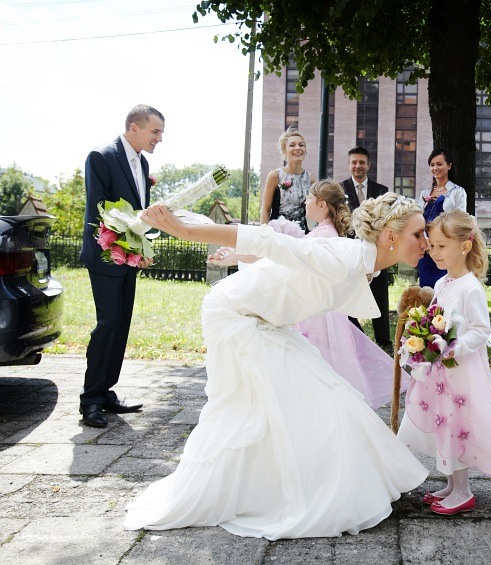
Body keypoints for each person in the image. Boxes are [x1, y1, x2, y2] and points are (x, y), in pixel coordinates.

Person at [126, 193, 429, 539]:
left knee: (329, 397)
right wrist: (185, 231)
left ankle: (308, 484)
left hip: (271, 322)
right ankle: (239, 492)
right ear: (390, 236)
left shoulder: (365, 263)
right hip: (235, 315)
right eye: (418, 234)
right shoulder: (343, 257)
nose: (425, 241)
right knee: (245, 409)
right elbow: (270, 241)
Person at [211, 180, 407, 409]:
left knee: (312, 368)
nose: (305, 201)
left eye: (310, 198)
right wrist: (236, 257)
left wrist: (237, 257)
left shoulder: (324, 234)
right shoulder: (322, 231)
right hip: (316, 310)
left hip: (314, 315)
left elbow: (288, 262)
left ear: (322, 204)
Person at [398, 210, 491, 516]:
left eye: (442, 246)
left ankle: (464, 491)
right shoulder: (442, 283)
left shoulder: (470, 287)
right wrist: (420, 337)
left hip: (460, 372)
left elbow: (481, 331)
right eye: (433, 245)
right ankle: (452, 485)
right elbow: (434, 319)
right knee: (445, 424)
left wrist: (455, 347)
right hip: (439, 372)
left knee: (458, 425)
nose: (434, 252)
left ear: (464, 246)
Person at [79, 104, 164, 428]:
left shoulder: (142, 163)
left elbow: (137, 210)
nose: (159, 139)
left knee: (121, 325)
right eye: (155, 131)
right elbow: (100, 209)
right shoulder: (100, 157)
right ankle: (90, 401)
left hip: (130, 257)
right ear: (134, 128)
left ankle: (106, 391)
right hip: (106, 256)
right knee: (108, 324)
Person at [341, 146, 392, 347]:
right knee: (349, 292)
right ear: (349, 165)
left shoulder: (382, 191)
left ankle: (383, 339)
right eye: (354, 162)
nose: (358, 166)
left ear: (368, 165)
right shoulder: (340, 189)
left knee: (379, 293)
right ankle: (356, 338)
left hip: (377, 249)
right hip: (351, 250)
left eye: (362, 162)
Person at [416, 148, 467, 288]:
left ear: (449, 166)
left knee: (446, 288)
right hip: (426, 251)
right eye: (432, 165)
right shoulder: (424, 193)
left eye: (439, 164)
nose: (435, 168)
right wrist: (425, 240)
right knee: (425, 290)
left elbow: (459, 221)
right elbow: (417, 220)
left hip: (445, 250)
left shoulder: (457, 192)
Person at [260, 127, 314, 231]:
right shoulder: (275, 175)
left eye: (301, 145)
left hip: (301, 234)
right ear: (284, 151)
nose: (298, 148)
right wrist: (264, 233)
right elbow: (265, 210)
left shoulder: (310, 179)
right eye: (292, 145)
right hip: (278, 233)